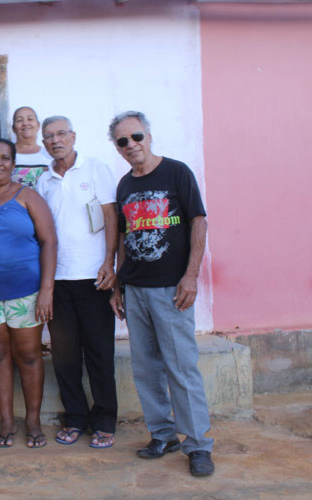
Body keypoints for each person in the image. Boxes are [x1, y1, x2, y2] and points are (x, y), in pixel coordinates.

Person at [108, 111, 214, 477]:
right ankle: (162, 434)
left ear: (148, 136)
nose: (131, 145)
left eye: (136, 136)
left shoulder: (177, 172)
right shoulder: (124, 186)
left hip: (172, 289)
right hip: (135, 289)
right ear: (117, 148)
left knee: (181, 368)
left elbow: (198, 221)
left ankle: (198, 444)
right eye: (122, 141)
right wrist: (119, 285)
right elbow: (123, 237)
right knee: (146, 369)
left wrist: (191, 276)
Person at [0, 138, 56, 449]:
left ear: (13, 164)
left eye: (5, 158)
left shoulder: (27, 196)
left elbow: (49, 242)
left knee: (28, 355)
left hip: (26, 293)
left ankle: (32, 419)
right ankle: (6, 420)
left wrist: (46, 290)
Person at [35, 116, 119, 449]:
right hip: (58, 280)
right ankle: (75, 418)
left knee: (100, 353)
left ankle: (105, 421)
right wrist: (46, 284)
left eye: (60, 134)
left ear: (73, 136)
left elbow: (111, 216)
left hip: (94, 278)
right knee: (65, 356)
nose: (55, 141)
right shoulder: (44, 181)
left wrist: (109, 262)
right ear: (43, 145)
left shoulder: (96, 169)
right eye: (49, 137)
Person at [0, 106, 52, 190]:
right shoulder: (4, 154)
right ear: (13, 128)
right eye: (19, 120)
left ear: (38, 125)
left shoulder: (50, 155)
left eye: (30, 119)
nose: (25, 123)